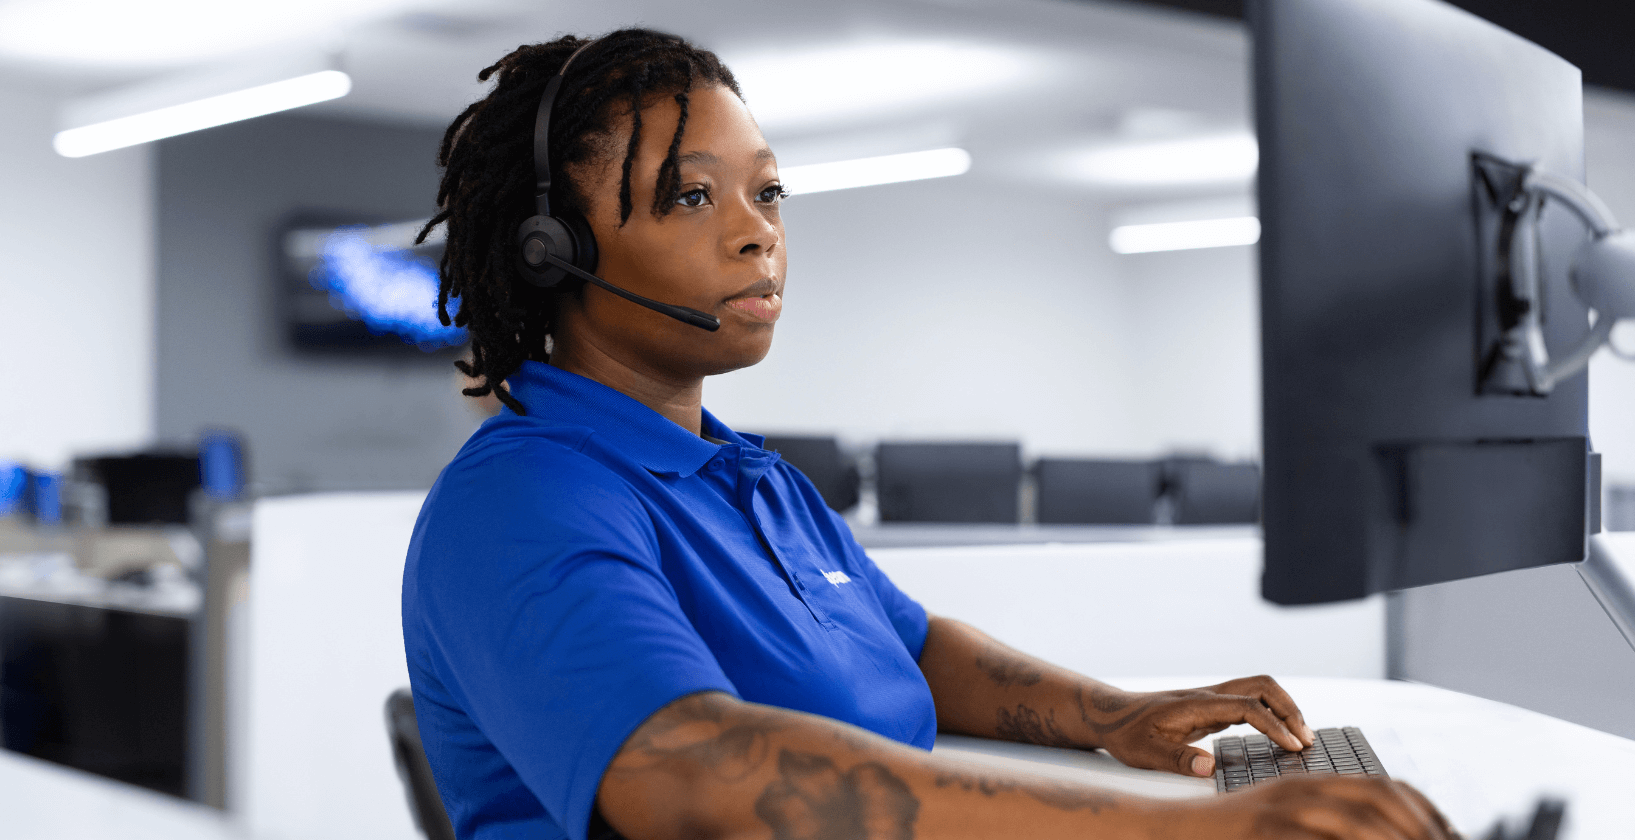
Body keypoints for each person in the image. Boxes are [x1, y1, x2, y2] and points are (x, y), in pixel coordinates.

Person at [401, 29, 1456, 840]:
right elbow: (693, 769)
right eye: (691, 195)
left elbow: (909, 645)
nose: (757, 229)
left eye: (767, 191)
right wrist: (1186, 827)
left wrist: (1111, 715)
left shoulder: (747, 477)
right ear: (553, 250)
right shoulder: (523, 499)